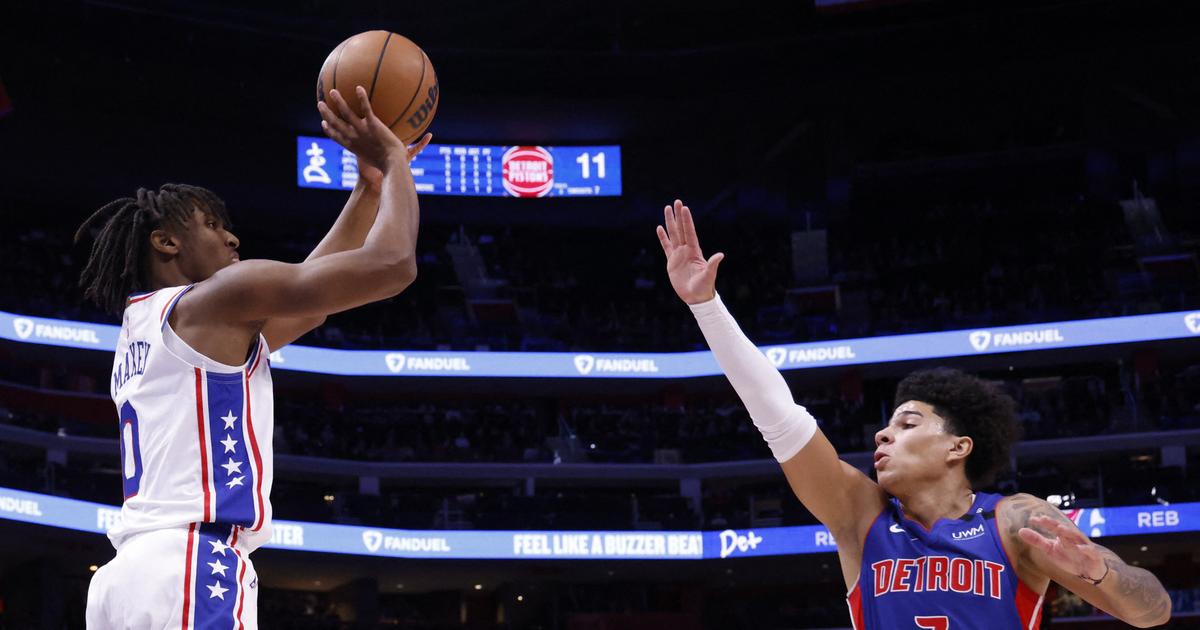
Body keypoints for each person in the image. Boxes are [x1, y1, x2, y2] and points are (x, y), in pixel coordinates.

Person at [656, 199, 1171, 628]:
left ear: (958, 446)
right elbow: (779, 416)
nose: (883, 433)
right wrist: (707, 306)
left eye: (908, 422)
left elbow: (1154, 611)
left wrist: (1101, 574)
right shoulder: (861, 515)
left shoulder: (1014, 520)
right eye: (888, 423)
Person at [78, 86, 428, 629]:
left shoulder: (146, 323)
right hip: (192, 566)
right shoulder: (215, 299)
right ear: (166, 242)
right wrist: (394, 163)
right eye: (213, 225)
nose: (232, 237)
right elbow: (393, 264)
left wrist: (368, 189)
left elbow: (309, 307)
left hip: (127, 577)